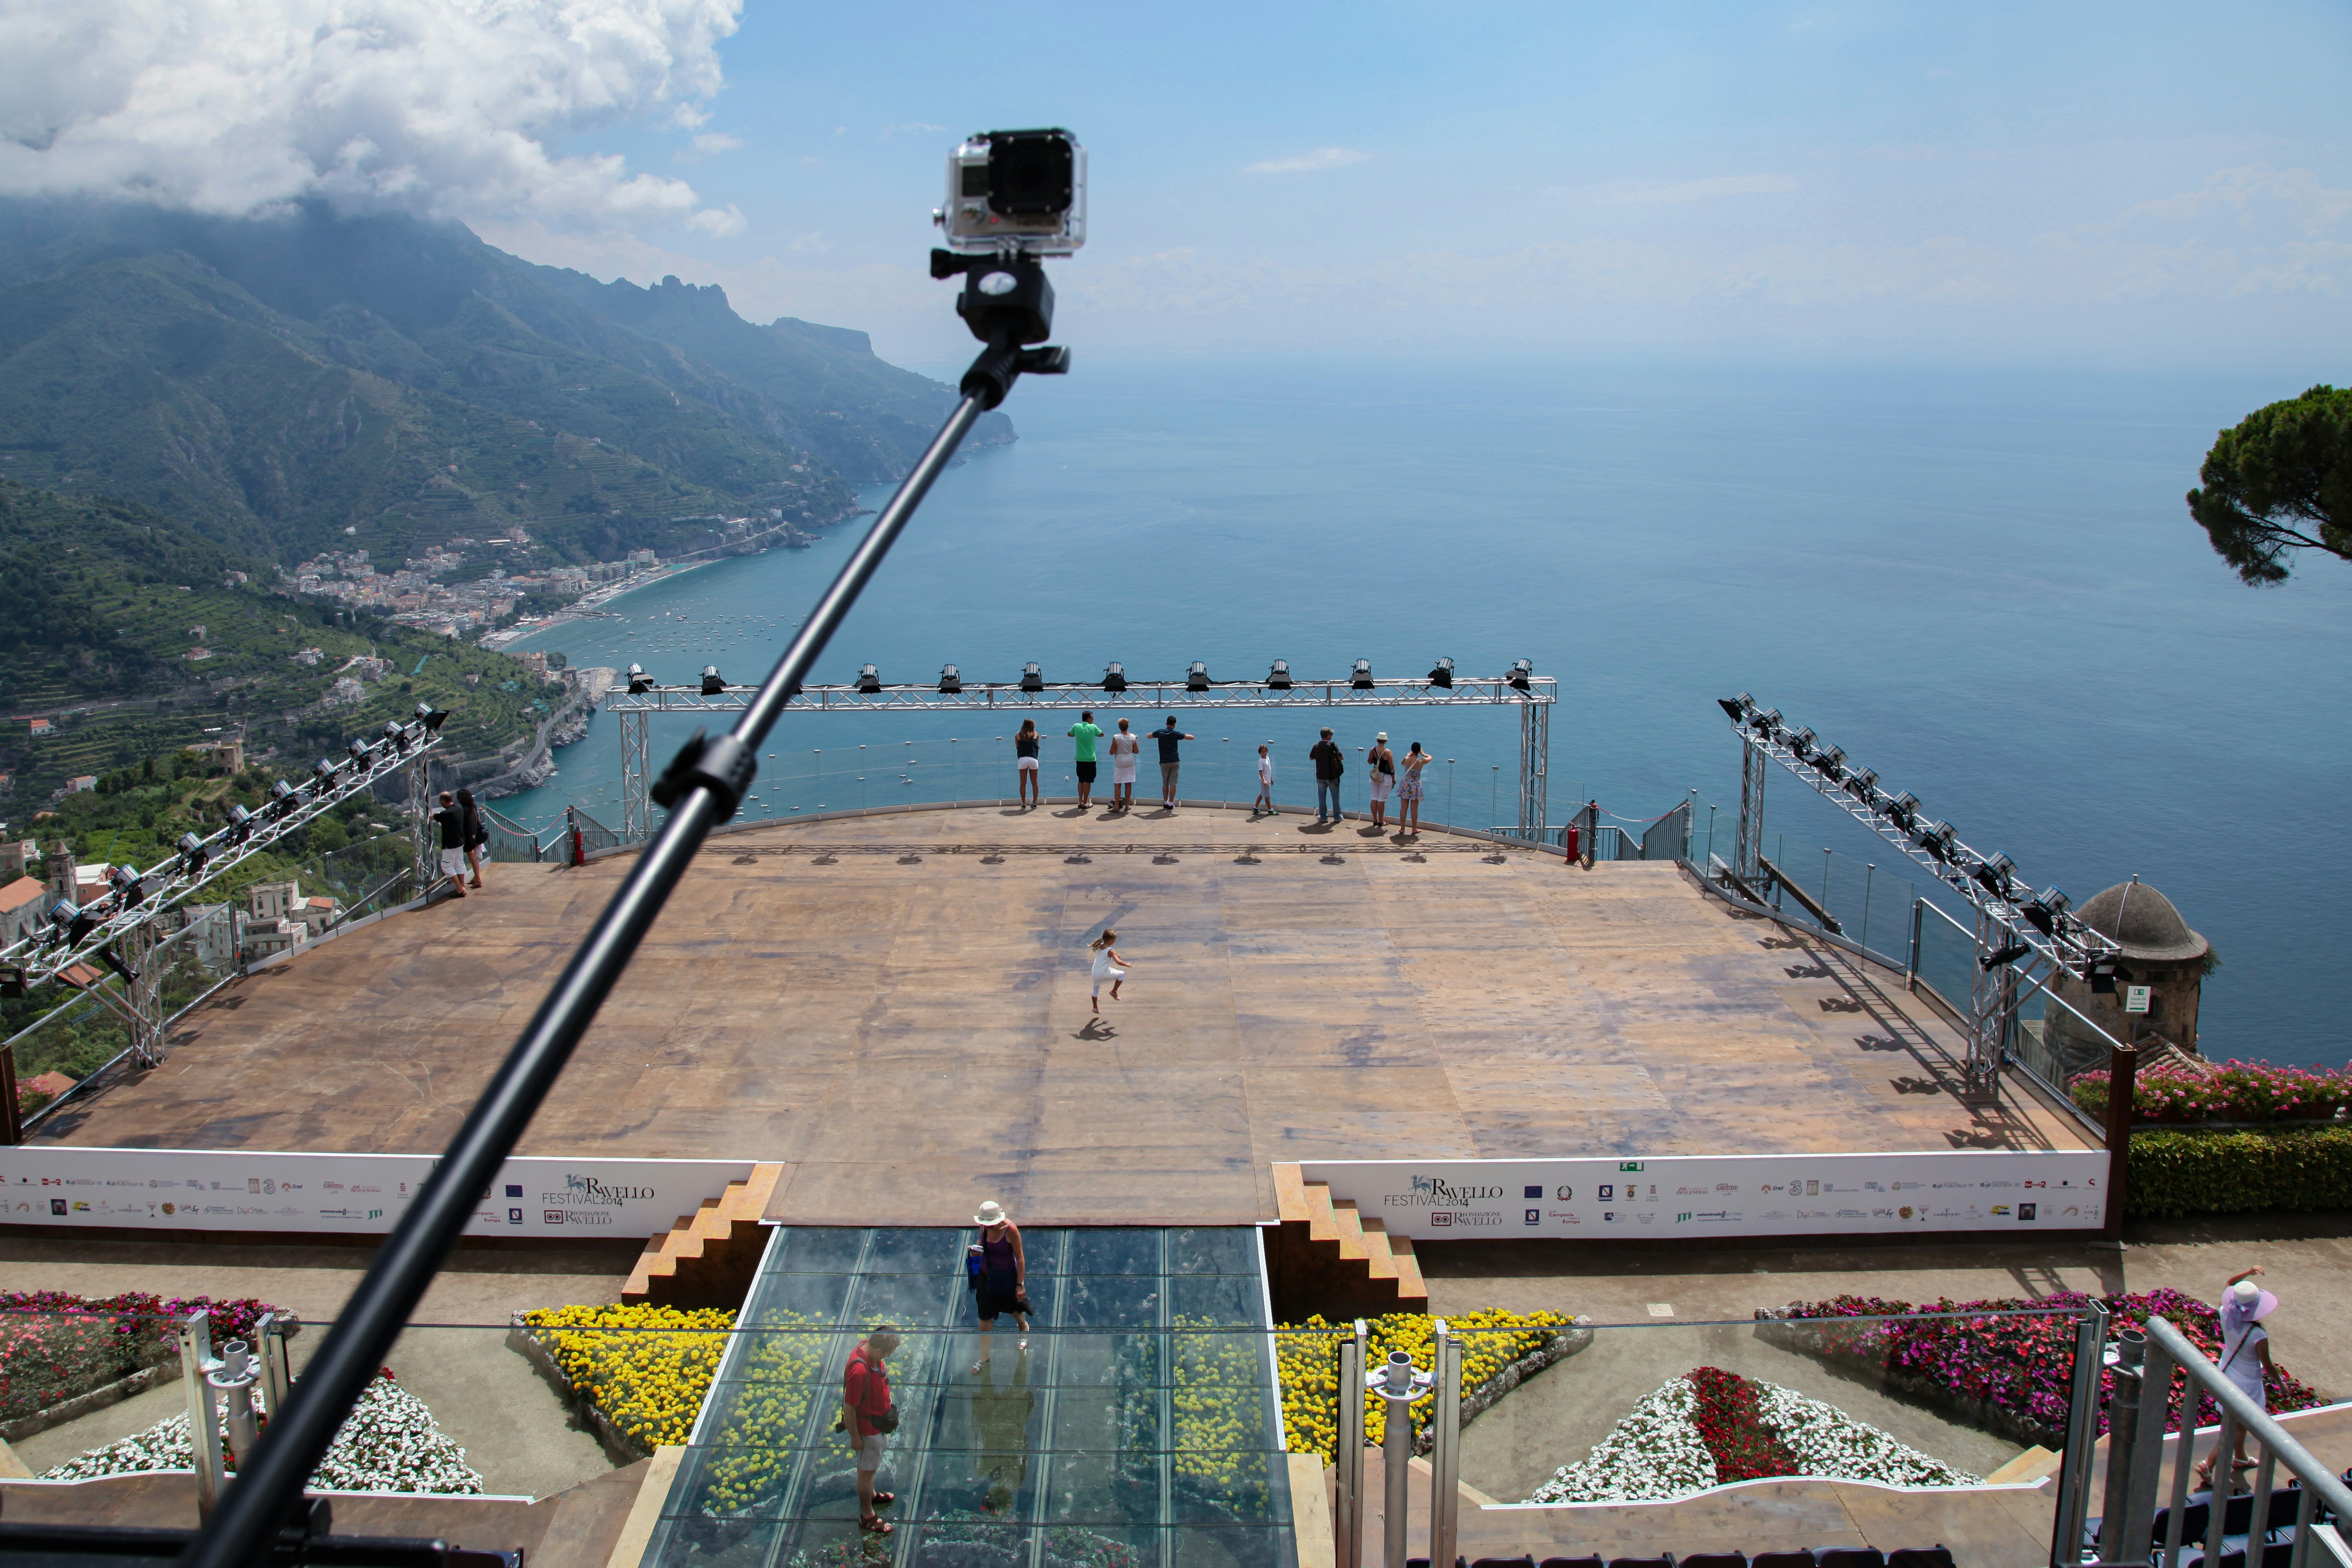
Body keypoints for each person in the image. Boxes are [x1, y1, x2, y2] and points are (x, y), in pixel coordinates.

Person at [2198, 1269, 2279, 1485]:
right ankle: (2208, 1464)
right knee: (2237, 1426)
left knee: (2238, 1423)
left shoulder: (2226, 1312)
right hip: (2248, 1383)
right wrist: (2280, 1383)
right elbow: (2267, 1365)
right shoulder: (2258, 1334)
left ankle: (2240, 1458)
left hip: (2227, 1372)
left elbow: (2229, 1283)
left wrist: (2249, 1272)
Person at [843, 1325, 901, 1534]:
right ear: (877, 1350)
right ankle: (867, 1516)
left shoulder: (870, 1354)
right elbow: (849, 1407)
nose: (888, 1357)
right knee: (866, 1473)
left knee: (869, 1468)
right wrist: (855, 1437)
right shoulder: (859, 1371)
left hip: (878, 1425)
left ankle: (872, 1495)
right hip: (869, 1430)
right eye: (887, 1354)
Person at [969, 1199, 1031, 1369]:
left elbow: (1020, 1257)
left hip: (1006, 1275)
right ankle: (985, 1355)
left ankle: (1023, 1328)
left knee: (1013, 1307)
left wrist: (1020, 1284)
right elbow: (981, 1240)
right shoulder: (984, 1227)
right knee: (985, 1313)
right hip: (987, 1275)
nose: (987, 1227)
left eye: (990, 1224)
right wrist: (977, 1249)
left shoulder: (1011, 1230)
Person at [431, 791, 469, 899]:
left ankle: (460, 889)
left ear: (443, 801)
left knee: (446, 866)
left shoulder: (446, 814)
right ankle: (462, 886)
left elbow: (433, 817)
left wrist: (432, 816)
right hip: (460, 841)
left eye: (441, 801)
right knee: (459, 864)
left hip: (451, 844)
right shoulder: (459, 808)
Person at [1067, 712, 1104, 809]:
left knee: (1081, 780)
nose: (1093, 720)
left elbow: (1069, 734)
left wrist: (1079, 735)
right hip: (1091, 759)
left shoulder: (1076, 726)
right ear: (1088, 719)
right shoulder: (1093, 727)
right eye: (1092, 718)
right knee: (1088, 781)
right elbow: (1102, 734)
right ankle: (1085, 802)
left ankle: (1080, 801)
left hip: (1080, 758)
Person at [1308, 728, 1345, 825]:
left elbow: (1311, 758)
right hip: (1333, 776)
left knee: (1322, 797)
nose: (1332, 736)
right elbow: (1341, 757)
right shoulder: (1332, 745)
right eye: (1331, 734)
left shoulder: (1316, 746)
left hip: (1321, 776)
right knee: (1335, 797)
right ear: (1328, 736)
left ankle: (1324, 817)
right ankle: (1337, 817)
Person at [1089, 928, 1129, 1014]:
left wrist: (1116, 954)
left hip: (1095, 972)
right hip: (1102, 973)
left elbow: (1108, 952)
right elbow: (1118, 962)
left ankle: (1095, 1007)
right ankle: (1114, 991)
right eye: (1115, 939)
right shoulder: (1111, 951)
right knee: (1122, 974)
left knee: (1096, 989)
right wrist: (1127, 964)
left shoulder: (1101, 945)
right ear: (1111, 941)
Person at [456, 786, 487, 890]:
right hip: (474, 833)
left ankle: (478, 880)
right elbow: (478, 819)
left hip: (468, 836)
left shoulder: (462, 810)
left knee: (472, 859)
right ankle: (476, 878)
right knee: (474, 858)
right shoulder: (473, 805)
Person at [1107, 719, 1141, 813]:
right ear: (1128, 726)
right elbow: (1136, 751)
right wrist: (1129, 750)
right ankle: (1127, 806)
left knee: (1118, 784)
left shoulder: (1116, 737)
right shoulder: (1133, 737)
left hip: (1119, 763)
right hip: (1130, 762)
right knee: (1128, 784)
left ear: (1120, 727)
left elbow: (1112, 752)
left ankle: (1117, 806)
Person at [1395, 742, 1429, 838]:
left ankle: (1402, 828)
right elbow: (1431, 758)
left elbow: (1402, 763)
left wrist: (1409, 755)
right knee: (1414, 809)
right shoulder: (1421, 761)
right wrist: (1423, 753)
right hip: (1415, 785)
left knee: (1403, 808)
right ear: (1419, 750)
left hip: (1406, 784)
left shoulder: (1407, 759)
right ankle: (1414, 829)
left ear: (1412, 749)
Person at [1366, 732, 1395, 830]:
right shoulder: (1388, 752)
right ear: (1386, 741)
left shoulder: (1373, 750)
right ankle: (1381, 821)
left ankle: (1375, 820)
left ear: (1377, 740)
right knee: (1381, 800)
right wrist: (1394, 779)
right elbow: (1392, 767)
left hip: (1375, 776)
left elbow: (1370, 761)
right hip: (1385, 777)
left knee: (1374, 798)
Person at [1014, 720, 1041, 808]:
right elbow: (1036, 745)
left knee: (1023, 783)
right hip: (1033, 759)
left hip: (1023, 759)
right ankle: (1035, 803)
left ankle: (1023, 804)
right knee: (1035, 782)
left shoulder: (1018, 735)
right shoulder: (1036, 734)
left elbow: (1017, 747)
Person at [1254, 744, 1275, 816]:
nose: (1264, 753)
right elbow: (1261, 772)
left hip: (1268, 779)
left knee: (1262, 794)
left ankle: (1256, 808)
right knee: (1267, 795)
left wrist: (1271, 778)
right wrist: (1264, 780)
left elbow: (1269, 770)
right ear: (1260, 753)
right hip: (1265, 781)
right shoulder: (1261, 761)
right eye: (1262, 752)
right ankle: (1270, 810)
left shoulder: (1268, 759)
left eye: (1265, 752)